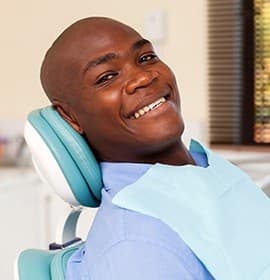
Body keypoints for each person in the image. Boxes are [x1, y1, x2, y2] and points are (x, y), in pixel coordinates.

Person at [40, 17, 214, 279]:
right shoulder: (138, 250)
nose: (142, 77)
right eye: (107, 77)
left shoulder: (205, 167)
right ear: (71, 118)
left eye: (145, 58)